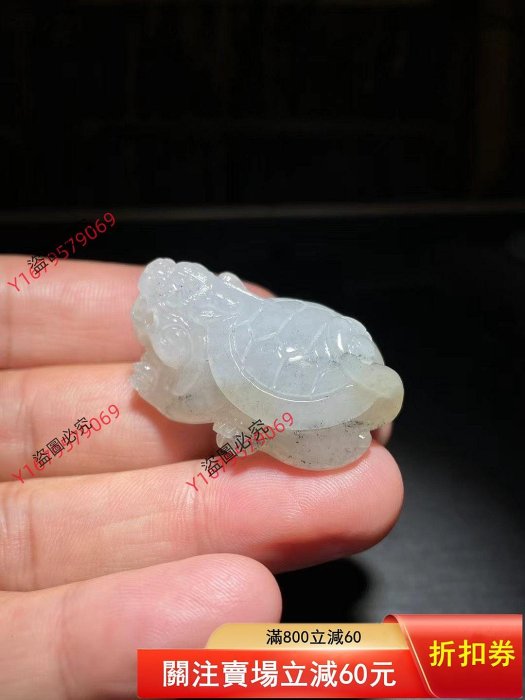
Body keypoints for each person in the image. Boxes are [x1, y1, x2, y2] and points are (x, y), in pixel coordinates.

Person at [0, 256, 403, 699]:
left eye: (164, 333)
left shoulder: (224, 347)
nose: (156, 340)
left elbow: (187, 400)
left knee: (250, 425)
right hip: (320, 361)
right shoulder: (228, 327)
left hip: (315, 382)